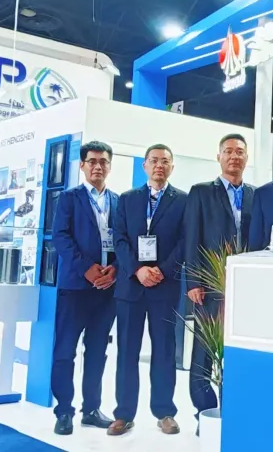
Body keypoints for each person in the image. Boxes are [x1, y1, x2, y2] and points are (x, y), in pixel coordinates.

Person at [108, 144, 186, 437]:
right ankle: (123, 414)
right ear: (144, 165)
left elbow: (185, 240)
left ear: (172, 167)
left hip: (165, 287)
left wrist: (162, 270)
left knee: (164, 351)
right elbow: (119, 239)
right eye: (154, 160)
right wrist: (137, 269)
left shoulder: (183, 200)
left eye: (165, 161)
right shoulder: (127, 199)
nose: (159, 165)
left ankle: (165, 412)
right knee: (127, 351)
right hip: (131, 286)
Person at [183, 133, 255, 432]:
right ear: (219, 157)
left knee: (239, 349)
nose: (234, 157)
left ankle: (233, 409)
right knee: (204, 351)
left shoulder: (255, 194)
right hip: (209, 286)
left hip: (245, 287)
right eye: (228, 151)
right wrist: (193, 281)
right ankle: (204, 412)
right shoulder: (201, 192)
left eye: (240, 152)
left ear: (247, 158)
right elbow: (191, 238)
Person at [50, 141, 119, 436]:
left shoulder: (118, 201)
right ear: (82, 165)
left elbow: (124, 240)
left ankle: (91, 409)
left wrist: (116, 268)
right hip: (76, 287)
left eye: (103, 161)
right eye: (92, 161)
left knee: (97, 351)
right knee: (65, 351)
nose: (98, 166)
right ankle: (64, 411)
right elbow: (61, 237)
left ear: (109, 166)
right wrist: (87, 269)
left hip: (107, 290)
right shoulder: (69, 198)